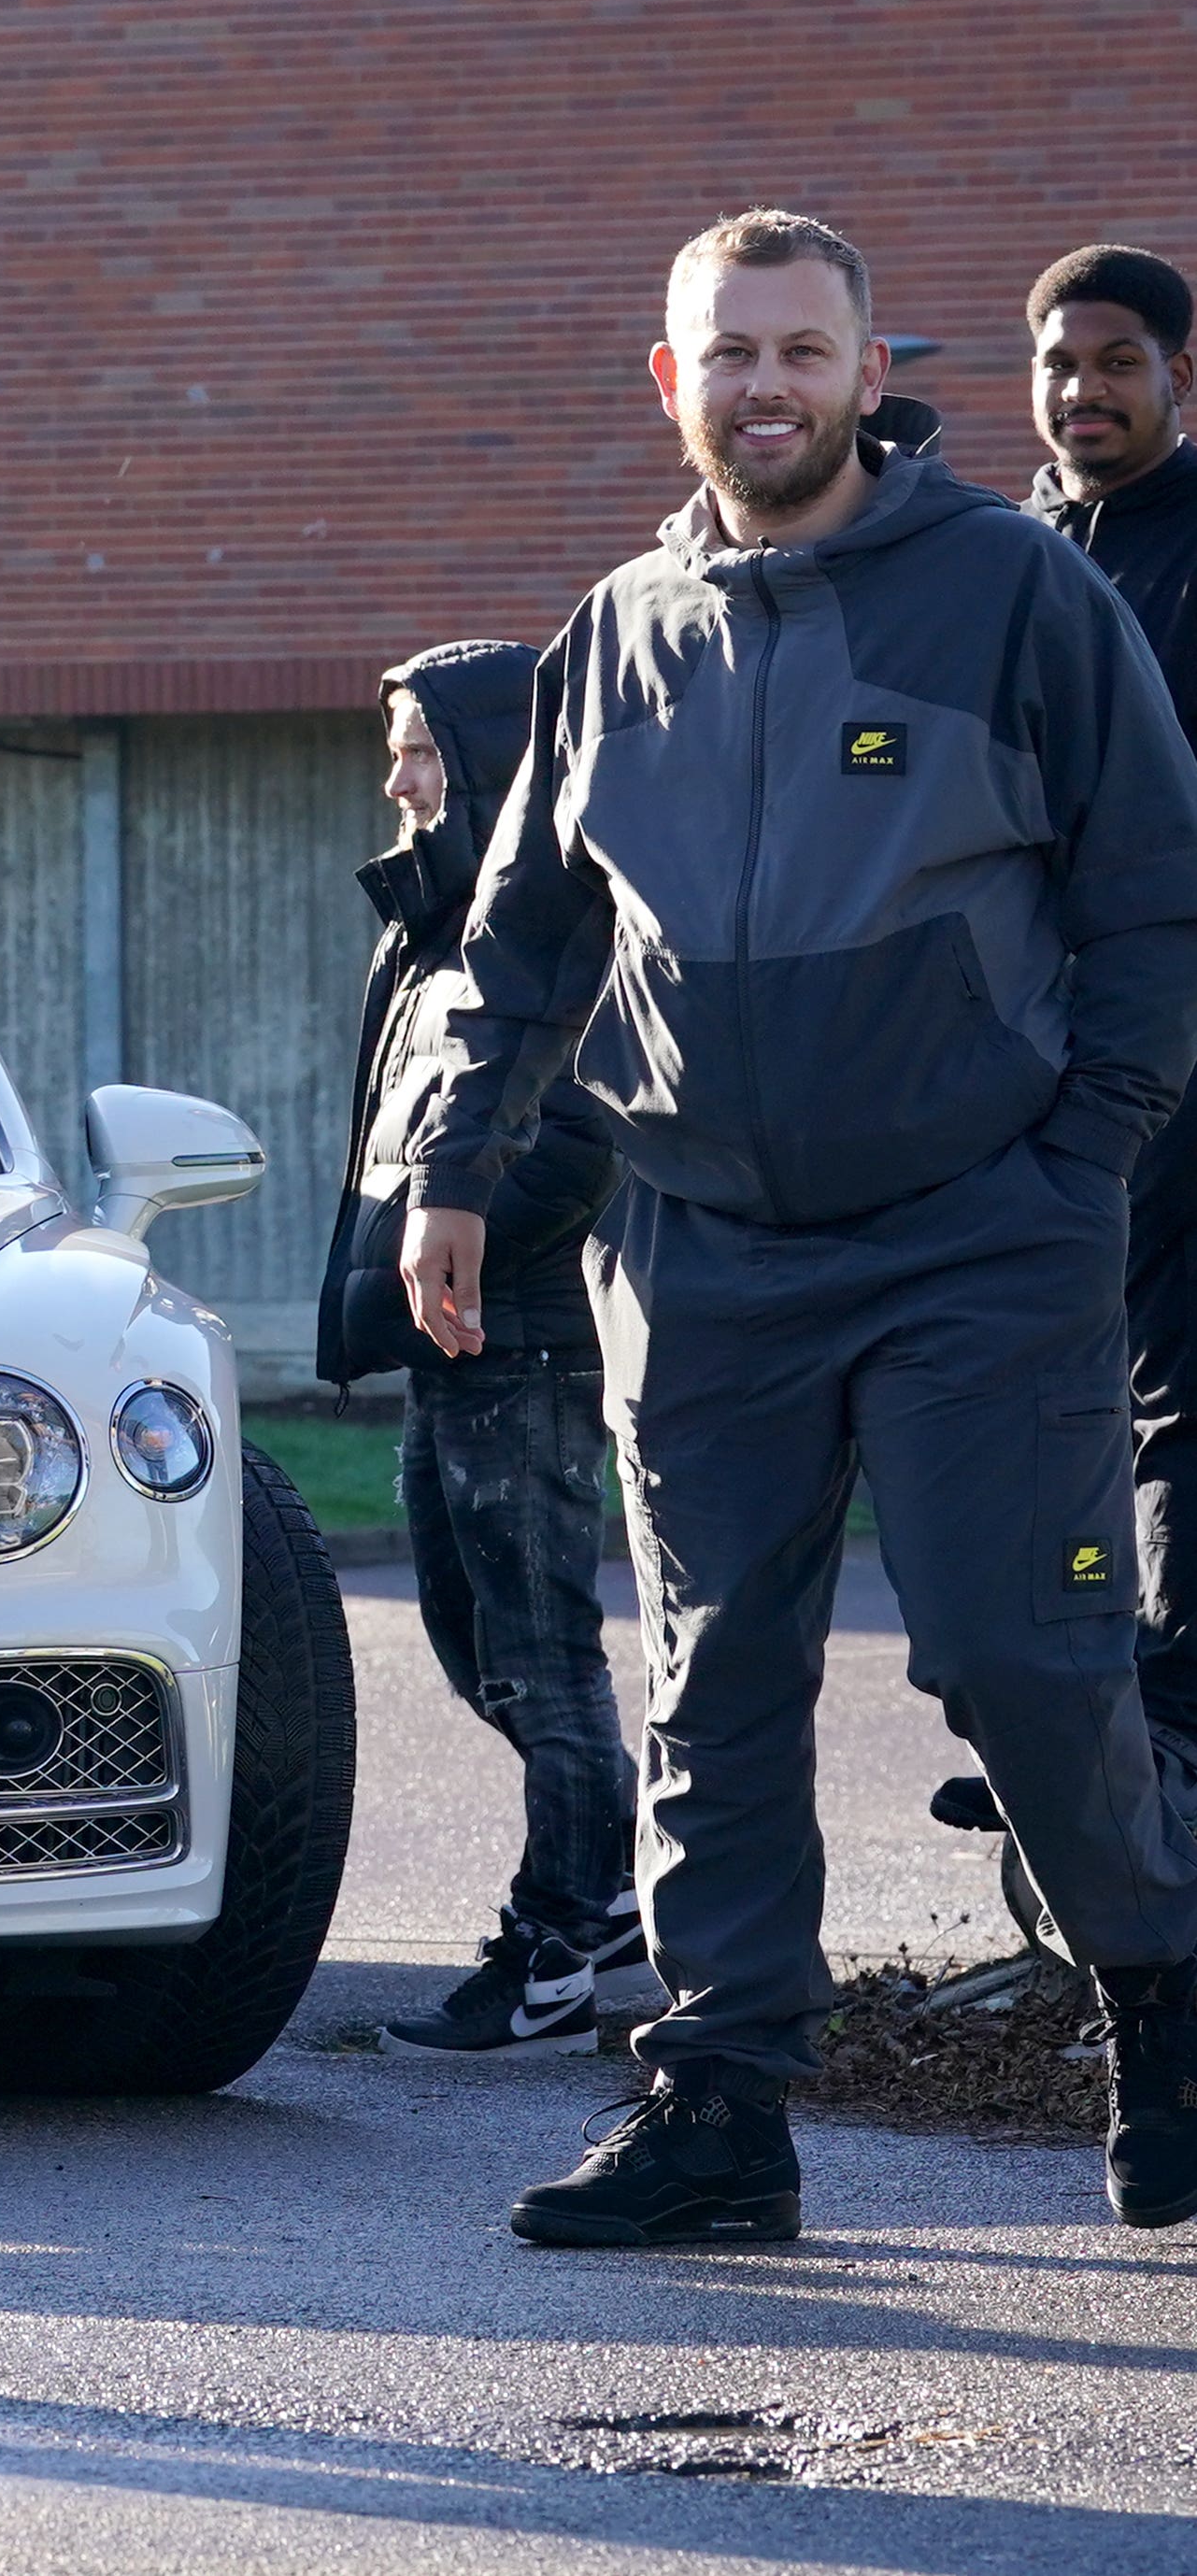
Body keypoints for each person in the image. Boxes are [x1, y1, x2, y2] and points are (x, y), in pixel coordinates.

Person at [404, 210, 1197, 2244]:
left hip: (980, 1232)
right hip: (706, 1246)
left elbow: (1152, 895)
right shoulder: (618, 630)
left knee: (1023, 1655)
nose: (764, 385)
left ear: (863, 370)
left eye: (800, 349)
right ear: (672, 385)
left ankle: (1163, 1991)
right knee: (716, 1675)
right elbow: (521, 931)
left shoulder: (1012, 592)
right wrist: (456, 1170)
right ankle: (721, 2102)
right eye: (726, 353)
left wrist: (1083, 1161)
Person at [313, 640, 635, 2054]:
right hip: (447, 1339)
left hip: (531, 1343)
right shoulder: (434, 927)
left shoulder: (562, 939)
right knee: (470, 1642)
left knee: (537, 1650)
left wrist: (456, 1243)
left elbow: (578, 1138)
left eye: (420, 751)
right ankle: (608, 1894)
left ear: (493, 764)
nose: (395, 779)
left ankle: (562, 1939)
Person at [1020, 245, 1197, 1816]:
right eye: (1059, 362)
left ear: (1173, 378)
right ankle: (1069, 1724)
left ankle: (1172, 1720)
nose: (1082, 389)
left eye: (1114, 362)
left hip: (1173, 1057)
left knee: (1176, 1395)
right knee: (1036, 1391)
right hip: (1020, 1066)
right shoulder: (1006, 558)